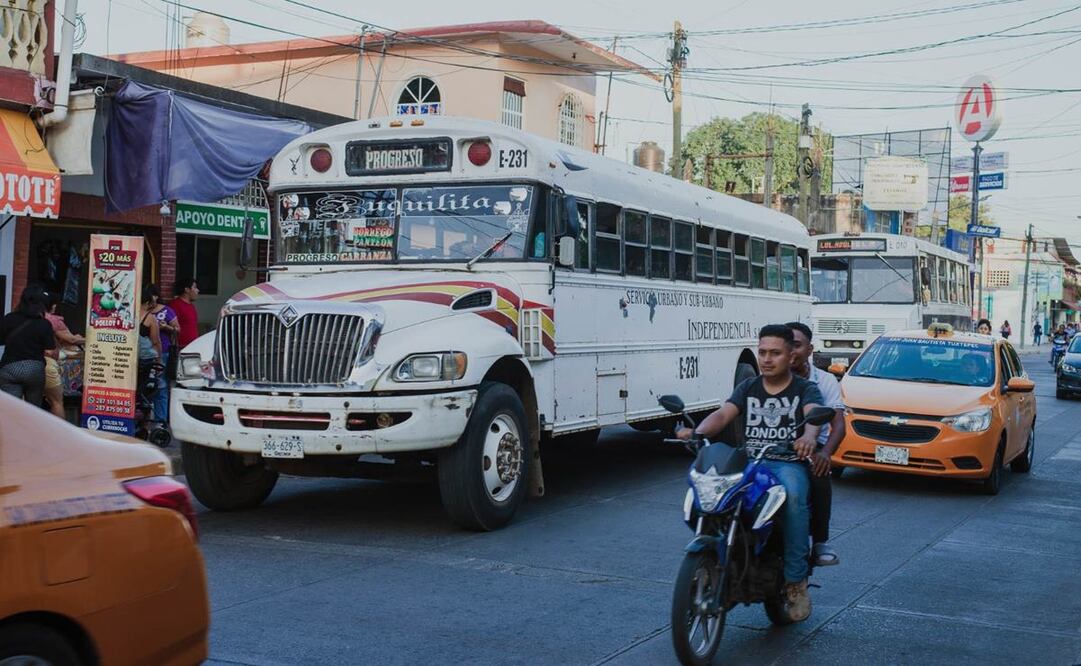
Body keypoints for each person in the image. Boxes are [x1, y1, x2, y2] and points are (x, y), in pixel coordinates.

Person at [677, 324, 824, 622]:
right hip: (748, 461)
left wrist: (809, 436)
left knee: (794, 497)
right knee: (709, 489)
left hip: (785, 462)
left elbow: (813, 414)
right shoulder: (748, 386)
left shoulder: (804, 388)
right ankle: (715, 554)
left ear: (791, 354)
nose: (767, 359)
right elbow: (723, 414)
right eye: (762, 352)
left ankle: (796, 581)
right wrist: (697, 432)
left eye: (775, 353)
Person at [786, 321, 846, 567]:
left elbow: (838, 425)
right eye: (784, 346)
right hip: (770, 447)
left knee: (819, 472)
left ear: (810, 350)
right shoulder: (762, 380)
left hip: (811, 449)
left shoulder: (824, 382)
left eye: (796, 346)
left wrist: (825, 454)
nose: (790, 352)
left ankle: (820, 540)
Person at [0, 285, 56, 405]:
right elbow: (50, 351)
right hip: (34, 370)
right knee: (32, 410)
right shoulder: (44, 324)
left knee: (11, 409)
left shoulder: (9, 318)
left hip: (9, 368)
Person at [44, 291, 85, 419]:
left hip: (22, 363)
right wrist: (90, 339)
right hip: (49, 363)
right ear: (52, 306)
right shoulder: (51, 320)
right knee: (57, 402)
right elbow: (71, 340)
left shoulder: (25, 317)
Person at [146, 284, 179, 423]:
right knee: (146, 386)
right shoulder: (143, 311)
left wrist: (166, 327)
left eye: (151, 296)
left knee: (162, 387)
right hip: (145, 354)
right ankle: (146, 420)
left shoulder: (167, 311)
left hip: (163, 352)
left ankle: (161, 421)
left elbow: (177, 329)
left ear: (156, 296)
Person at [169, 277, 200, 351]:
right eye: (195, 287)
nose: (197, 290)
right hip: (181, 348)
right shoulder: (174, 305)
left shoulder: (191, 305)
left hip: (193, 346)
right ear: (187, 289)